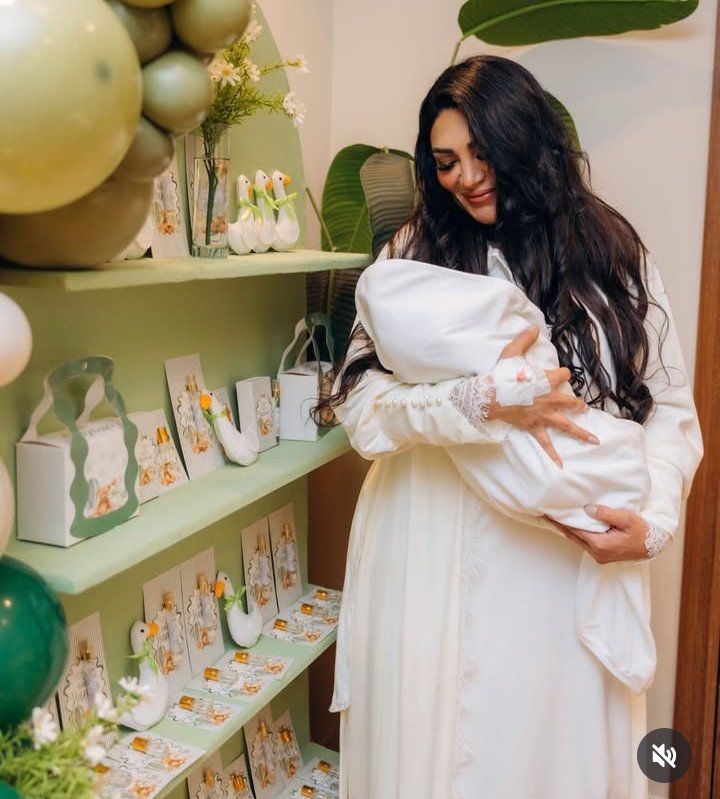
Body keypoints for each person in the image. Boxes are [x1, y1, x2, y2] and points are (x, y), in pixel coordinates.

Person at [314, 55, 703, 799]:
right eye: (446, 162)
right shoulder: (413, 254)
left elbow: (670, 409)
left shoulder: (613, 256)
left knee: (541, 750)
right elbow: (358, 408)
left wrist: (653, 524)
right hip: (427, 546)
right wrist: (475, 401)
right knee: (434, 746)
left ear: (526, 139)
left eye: (482, 152)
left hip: (558, 561)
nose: (466, 178)